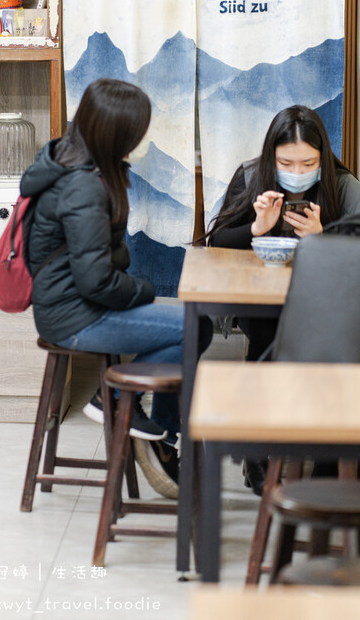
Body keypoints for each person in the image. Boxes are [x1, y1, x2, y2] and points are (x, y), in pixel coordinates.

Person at [20, 78, 212, 499]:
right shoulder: (83, 186)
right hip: (77, 315)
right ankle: (140, 417)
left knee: (194, 321)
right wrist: (143, 290)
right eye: (136, 133)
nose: (142, 141)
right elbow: (95, 280)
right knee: (196, 324)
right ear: (115, 134)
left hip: (68, 306)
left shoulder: (71, 164)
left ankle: (146, 421)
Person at [206, 104, 360, 493]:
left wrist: (322, 239)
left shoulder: (344, 186)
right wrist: (256, 228)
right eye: (286, 162)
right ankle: (259, 450)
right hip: (260, 302)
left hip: (326, 305)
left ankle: (328, 457)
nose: (296, 170)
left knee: (331, 348)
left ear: (322, 157)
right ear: (271, 157)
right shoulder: (250, 175)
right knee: (265, 329)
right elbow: (218, 242)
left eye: (307, 162)